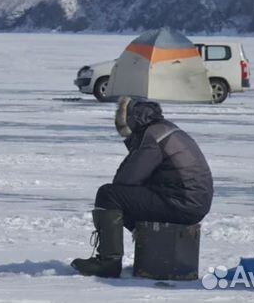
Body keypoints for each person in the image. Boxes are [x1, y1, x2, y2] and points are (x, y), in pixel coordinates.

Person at [71, 96, 213, 278]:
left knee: (109, 195)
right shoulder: (165, 130)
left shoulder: (153, 137)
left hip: (180, 203)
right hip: (192, 202)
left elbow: (127, 179)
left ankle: (108, 262)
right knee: (124, 197)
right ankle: (143, 242)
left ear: (132, 119)